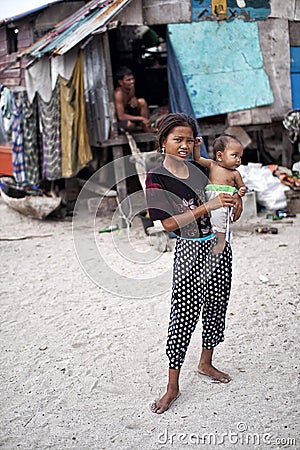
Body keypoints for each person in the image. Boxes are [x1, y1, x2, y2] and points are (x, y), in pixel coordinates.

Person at [145, 113, 243, 414]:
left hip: (218, 246)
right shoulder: (156, 177)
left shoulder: (200, 170)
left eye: (189, 139)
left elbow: (225, 189)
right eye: (177, 139)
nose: (184, 145)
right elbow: (166, 223)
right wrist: (207, 205)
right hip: (189, 250)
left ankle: (206, 363)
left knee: (216, 305)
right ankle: (172, 386)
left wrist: (235, 200)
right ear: (164, 142)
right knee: (184, 315)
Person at [193, 134, 246, 254]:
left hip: (223, 201)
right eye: (235, 155)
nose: (238, 160)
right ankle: (213, 240)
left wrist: (240, 192)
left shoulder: (235, 173)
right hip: (208, 200)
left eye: (240, 157)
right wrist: (197, 147)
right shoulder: (212, 165)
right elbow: (197, 159)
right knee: (207, 223)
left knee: (219, 220)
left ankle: (221, 241)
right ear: (219, 156)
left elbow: (242, 187)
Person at [114, 66, 152, 132]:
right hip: (121, 119)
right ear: (120, 82)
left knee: (142, 101)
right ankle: (139, 128)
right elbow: (121, 116)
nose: (132, 82)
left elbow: (132, 97)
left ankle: (146, 128)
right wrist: (141, 118)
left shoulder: (131, 88)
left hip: (129, 112)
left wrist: (133, 98)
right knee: (130, 125)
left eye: (132, 79)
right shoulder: (118, 94)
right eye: (128, 80)